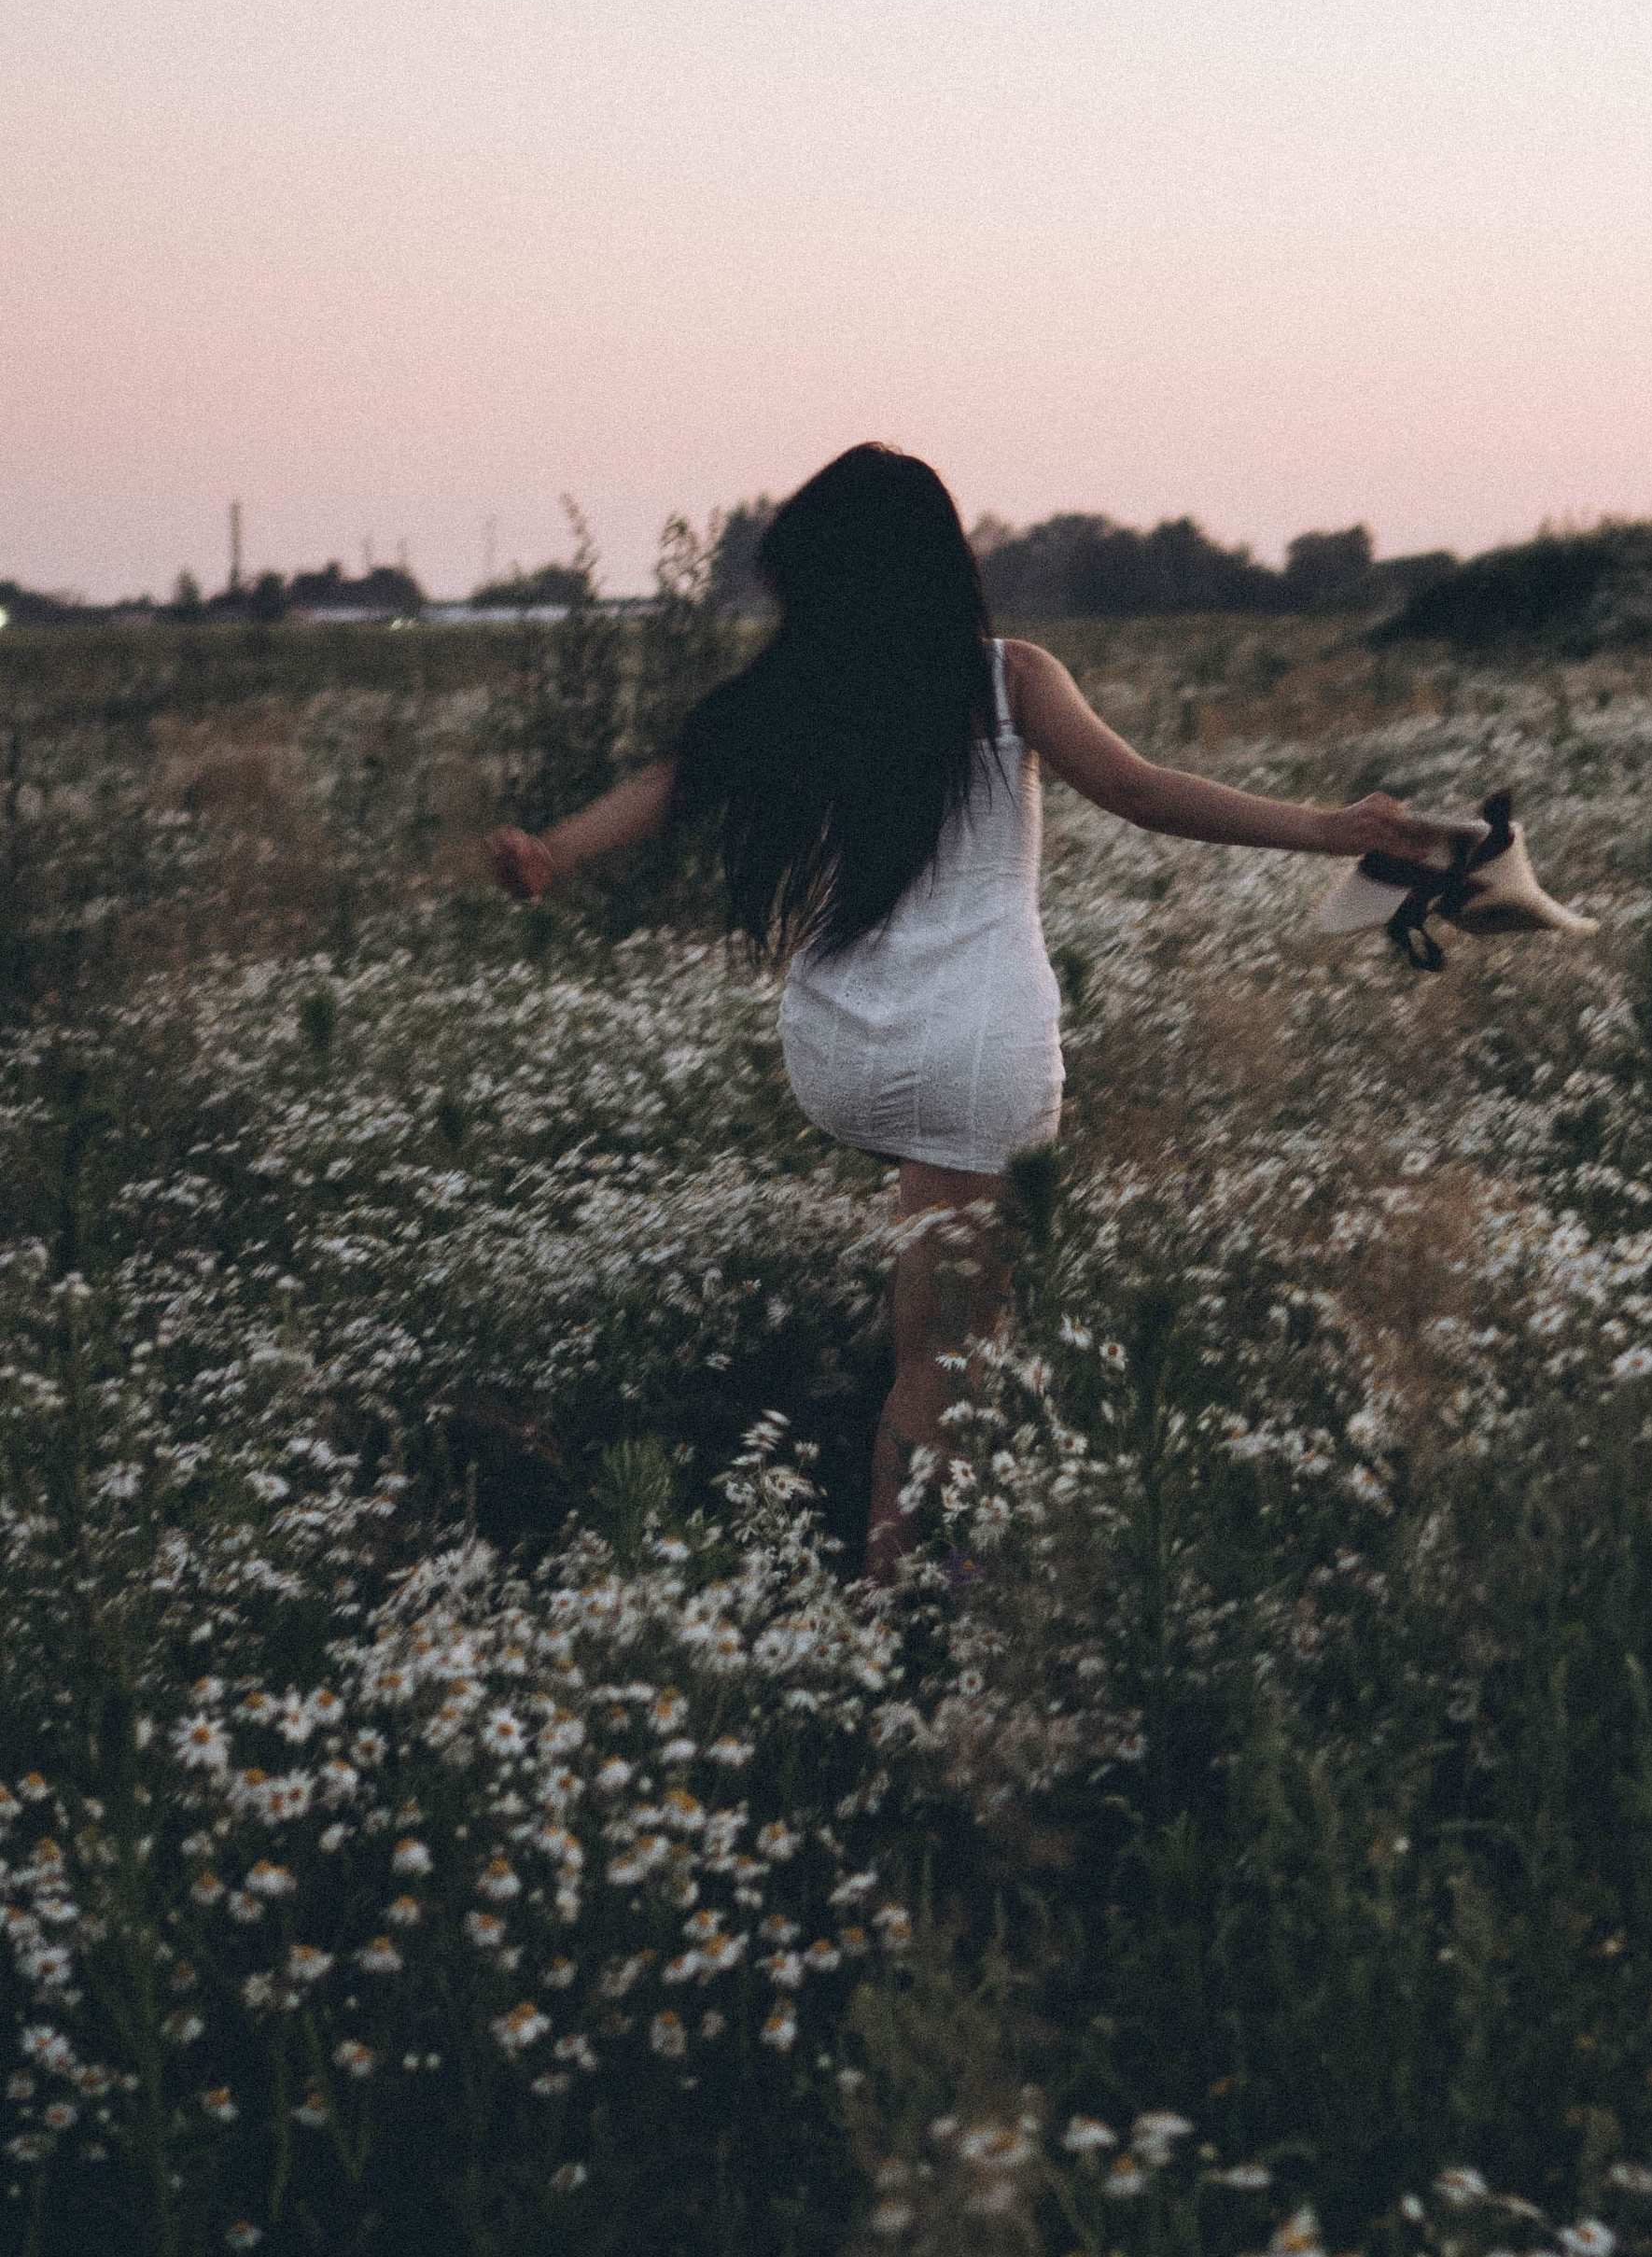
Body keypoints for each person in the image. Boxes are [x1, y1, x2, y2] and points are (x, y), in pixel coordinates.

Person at [485, 444, 1450, 1576]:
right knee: (946, 1364)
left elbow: (681, 776)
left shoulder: (812, 692)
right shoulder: (1008, 678)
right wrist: (1327, 830)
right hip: (971, 1050)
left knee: (948, 1296)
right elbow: (1136, 789)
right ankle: (904, 1598)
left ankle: (933, 1546)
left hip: (839, 1045)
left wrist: (554, 850)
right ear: (938, 562)